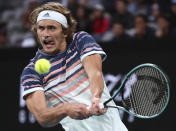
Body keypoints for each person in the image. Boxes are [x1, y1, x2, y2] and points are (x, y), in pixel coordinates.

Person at [20, 2, 128, 131]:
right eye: (41, 28)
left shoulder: (80, 40)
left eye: (52, 28)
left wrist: (95, 98)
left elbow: (95, 73)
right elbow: (42, 116)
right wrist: (65, 109)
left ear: (65, 32)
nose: (45, 34)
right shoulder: (31, 72)